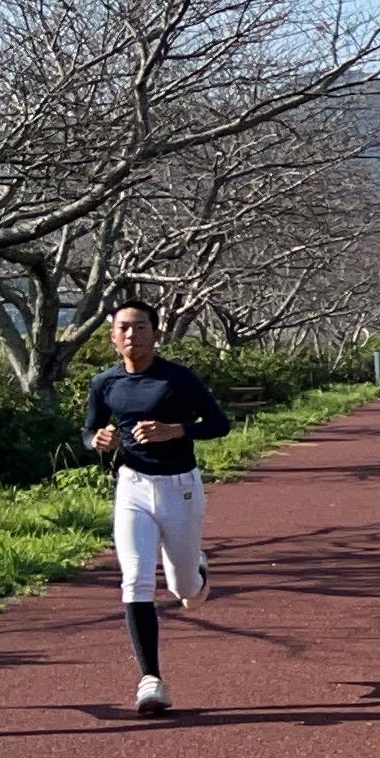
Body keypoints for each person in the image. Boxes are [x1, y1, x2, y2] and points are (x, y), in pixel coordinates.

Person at [84, 297, 231, 715]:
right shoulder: (105, 383)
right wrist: (96, 441)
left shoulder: (178, 379)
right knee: (134, 579)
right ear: (113, 337)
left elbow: (219, 424)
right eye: (124, 328)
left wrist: (175, 430)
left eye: (141, 327)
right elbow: (88, 429)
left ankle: (196, 574)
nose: (133, 335)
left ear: (156, 333)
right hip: (131, 487)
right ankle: (151, 681)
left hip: (180, 487)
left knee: (184, 590)